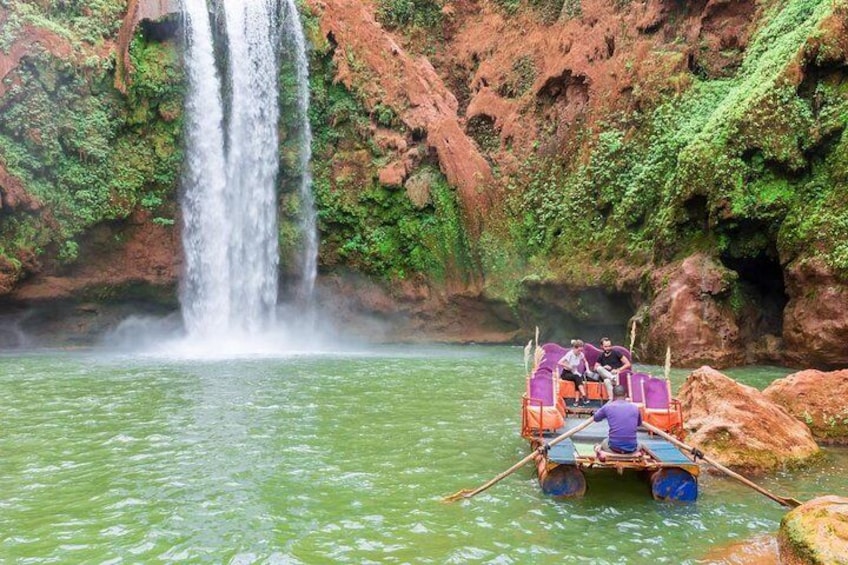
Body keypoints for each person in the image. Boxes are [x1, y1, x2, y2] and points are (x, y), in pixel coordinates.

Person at [593, 385, 642, 454]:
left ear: (613, 396)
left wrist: (608, 403)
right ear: (626, 395)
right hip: (631, 448)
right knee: (639, 444)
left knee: (603, 443)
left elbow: (596, 418)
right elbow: (639, 424)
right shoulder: (635, 408)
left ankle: (602, 453)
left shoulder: (608, 407)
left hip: (614, 448)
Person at [557, 339, 590, 405]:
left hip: (574, 372)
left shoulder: (581, 354)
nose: (580, 352)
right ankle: (584, 396)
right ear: (575, 348)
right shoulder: (570, 354)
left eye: (581, 350)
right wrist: (567, 365)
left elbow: (585, 361)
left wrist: (588, 369)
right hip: (566, 373)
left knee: (578, 378)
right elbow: (559, 362)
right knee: (576, 377)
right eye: (579, 350)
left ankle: (577, 401)